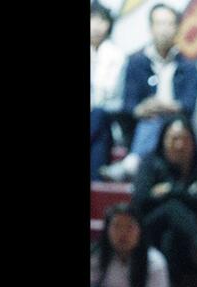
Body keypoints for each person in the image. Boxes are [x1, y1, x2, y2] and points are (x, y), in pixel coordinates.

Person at [132, 117, 197, 287]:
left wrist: (169, 191)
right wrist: (187, 194)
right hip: (150, 234)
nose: (179, 145)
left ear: (194, 142)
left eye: (185, 139)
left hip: (180, 243)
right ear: (163, 141)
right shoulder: (149, 165)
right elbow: (140, 201)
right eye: (173, 139)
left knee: (172, 235)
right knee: (172, 209)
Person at [109, 3, 197, 180]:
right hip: (142, 123)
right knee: (150, 120)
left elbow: (189, 105)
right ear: (150, 28)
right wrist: (141, 109)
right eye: (159, 24)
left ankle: (133, 164)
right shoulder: (136, 62)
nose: (164, 29)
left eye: (169, 24)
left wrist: (164, 106)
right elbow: (127, 104)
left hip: (174, 123)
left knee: (160, 121)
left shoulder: (188, 66)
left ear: (178, 28)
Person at [90, 2, 125, 181]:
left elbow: (113, 96)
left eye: (101, 21)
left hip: (106, 118)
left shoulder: (116, 56)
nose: (96, 26)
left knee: (98, 116)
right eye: (92, 20)